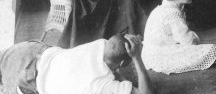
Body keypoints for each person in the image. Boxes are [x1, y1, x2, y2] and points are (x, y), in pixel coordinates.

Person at [0, 33, 155, 94]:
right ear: (122, 63)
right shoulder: (100, 86)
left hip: (32, 50)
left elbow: (116, 47)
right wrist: (137, 58)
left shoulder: (101, 44)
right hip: (29, 81)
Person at [141, 0, 216, 74]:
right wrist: (195, 38)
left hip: (150, 52)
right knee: (210, 50)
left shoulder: (164, 8)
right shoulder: (172, 13)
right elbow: (188, 41)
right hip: (158, 55)